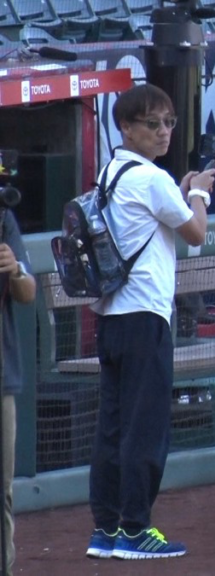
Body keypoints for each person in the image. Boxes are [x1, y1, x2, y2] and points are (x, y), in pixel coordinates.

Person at [86, 83, 215, 560]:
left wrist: (183, 193)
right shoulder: (153, 178)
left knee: (113, 427)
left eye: (169, 123)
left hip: (112, 318)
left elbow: (157, 217)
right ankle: (136, 529)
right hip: (144, 318)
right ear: (126, 127)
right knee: (145, 428)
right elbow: (196, 232)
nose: (163, 132)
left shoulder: (111, 172)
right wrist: (199, 192)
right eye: (152, 124)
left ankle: (106, 531)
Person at [0, 207, 36, 575]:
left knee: (2, 491)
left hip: (2, 374)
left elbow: (27, 292)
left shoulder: (3, 219)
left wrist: (15, 269)